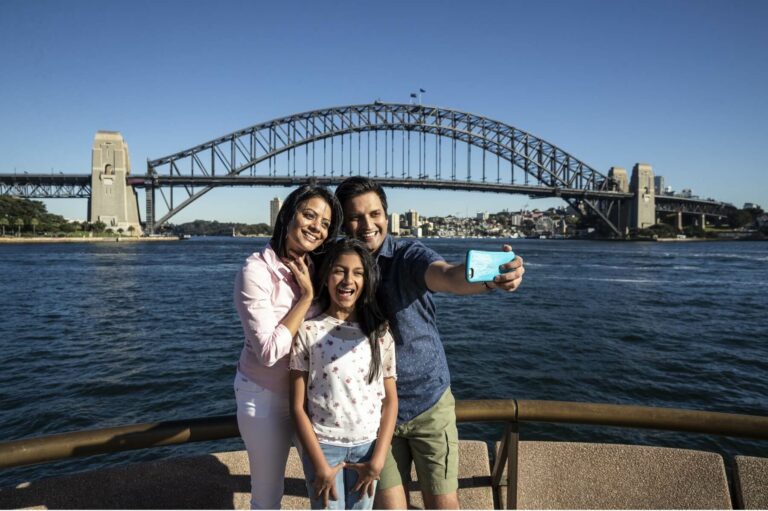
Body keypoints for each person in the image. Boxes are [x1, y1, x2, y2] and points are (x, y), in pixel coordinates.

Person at [334, 177, 525, 509]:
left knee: (443, 505)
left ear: (386, 214)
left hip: (427, 405)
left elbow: (446, 274)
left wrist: (490, 280)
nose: (368, 225)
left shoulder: (408, 256)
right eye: (356, 217)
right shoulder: (339, 269)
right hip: (376, 413)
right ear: (342, 223)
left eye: (375, 213)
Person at [233, 184, 342, 509]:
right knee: (268, 496)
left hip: (312, 396)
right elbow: (268, 352)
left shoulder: (317, 265)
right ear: (288, 215)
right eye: (309, 215)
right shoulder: (255, 271)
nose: (317, 227)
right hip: (266, 396)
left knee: (327, 487)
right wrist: (306, 297)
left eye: (325, 223)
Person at [290, 238, 398, 510]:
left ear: (367, 280)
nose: (348, 280)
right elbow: (297, 407)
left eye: (358, 272)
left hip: (368, 447)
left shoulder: (380, 333)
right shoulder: (307, 331)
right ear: (325, 275)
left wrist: (378, 459)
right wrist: (319, 465)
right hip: (324, 447)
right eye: (339, 270)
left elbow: (390, 401)